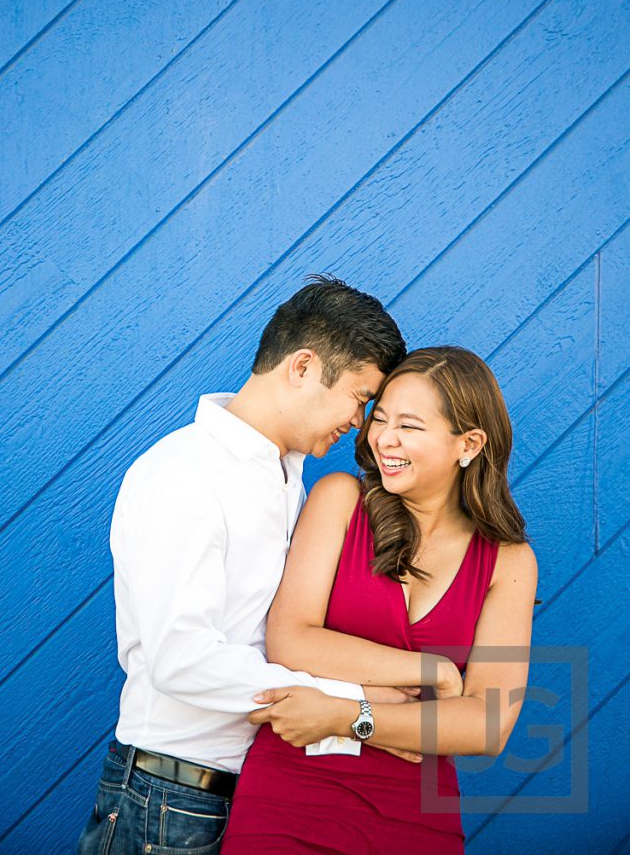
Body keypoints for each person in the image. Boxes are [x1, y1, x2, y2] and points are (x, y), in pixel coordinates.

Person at [75, 276, 408, 855]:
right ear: (302, 367)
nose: (360, 420)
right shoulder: (184, 474)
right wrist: (349, 701)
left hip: (254, 796)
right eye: (359, 396)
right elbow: (181, 658)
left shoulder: (288, 478)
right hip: (168, 801)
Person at [222, 346, 538, 854]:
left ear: (469, 443)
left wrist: (349, 714)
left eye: (409, 426)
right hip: (293, 790)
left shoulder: (508, 562)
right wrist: (429, 670)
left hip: (416, 812)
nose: (382, 439)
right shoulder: (341, 499)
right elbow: (290, 639)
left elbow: (488, 722)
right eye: (380, 418)